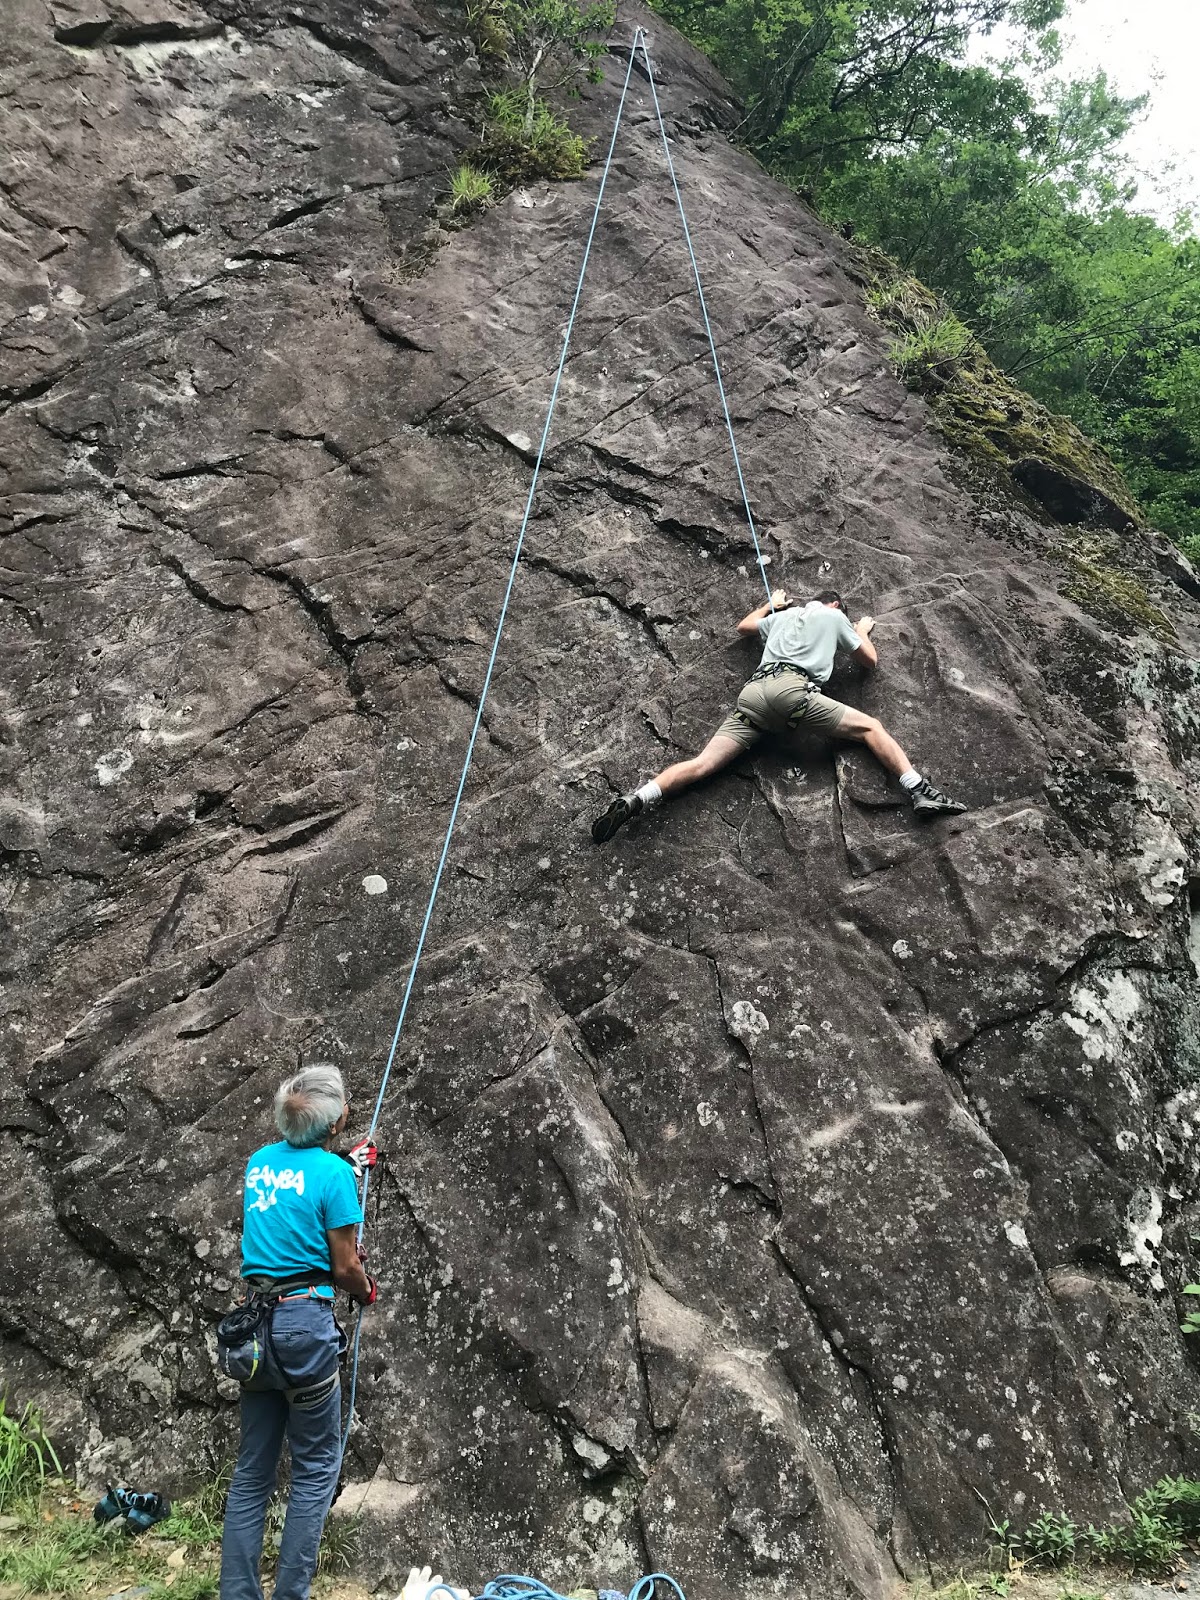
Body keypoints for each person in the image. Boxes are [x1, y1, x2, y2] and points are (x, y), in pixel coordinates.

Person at [591, 587, 967, 842]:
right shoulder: (834, 618)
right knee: (871, 727)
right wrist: (861, 630)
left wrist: (771, 603)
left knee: (702, 764)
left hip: (753, 696)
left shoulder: (782, 618)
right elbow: (869, 661)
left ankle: (638, 798)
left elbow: (744, 627)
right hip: (792, 692)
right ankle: (919, 790)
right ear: (835, 605)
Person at [219, 1063, 376, 1600]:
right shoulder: (335, 1177)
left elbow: (293, 1194)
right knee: (313, 1469)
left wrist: (345, 1163)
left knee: (252, 1472)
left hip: (254, 1333)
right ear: (334, 1125)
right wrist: (366, 1290)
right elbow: (344, 1267)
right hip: (304, 1328)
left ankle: (238, 1594)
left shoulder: (258, 1164)